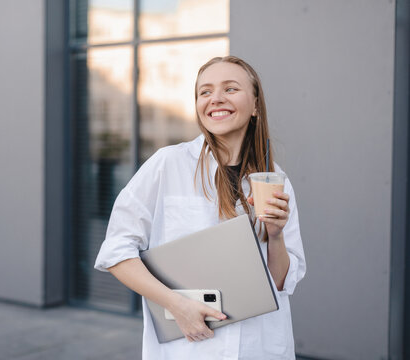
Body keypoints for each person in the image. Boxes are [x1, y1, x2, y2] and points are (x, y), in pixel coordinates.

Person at [94, 56, 306, 359]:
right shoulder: (167, 164)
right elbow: (116, 251)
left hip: (258, 348)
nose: (215, 98)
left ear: (256, 105)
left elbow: (282, 283)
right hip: (191, 346)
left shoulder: (275, 178)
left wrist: (275, 236)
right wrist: (175, 304)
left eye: (230, 89)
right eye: (205, 92)